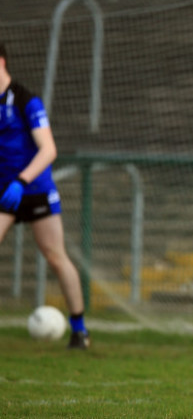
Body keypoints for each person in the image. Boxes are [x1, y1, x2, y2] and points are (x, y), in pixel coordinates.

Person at [0, 42, 90, 350]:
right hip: (3, 192)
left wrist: (21, 180)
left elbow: (48, 149)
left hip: (33, 188)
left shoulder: (26, 100)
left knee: (55, 256)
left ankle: (79, 329)